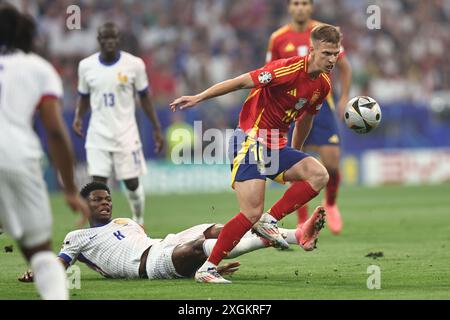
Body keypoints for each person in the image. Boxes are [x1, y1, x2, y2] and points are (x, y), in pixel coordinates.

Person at [170, 24, 341, 283]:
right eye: (327, 53)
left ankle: (269, 220)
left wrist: (297, 150)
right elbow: (240, 82)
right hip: (250, 140)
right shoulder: (285, 70)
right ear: (313, 48)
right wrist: (200, 97)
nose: (332, 59)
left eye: (335, 53)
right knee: (250, 213)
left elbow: (306, 118)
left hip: (276, 145)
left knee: (318, 174)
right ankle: (208, 268)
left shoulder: (323, 85)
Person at [18, 182, 317, 282]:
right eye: (98, 200)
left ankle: (296, 234)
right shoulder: (77, 237)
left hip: (164, 243)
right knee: (203, 243)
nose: (105, 203)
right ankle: (290, 237)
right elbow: (59, 265)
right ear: (84, 205)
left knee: (213, 228)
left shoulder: (125, 221)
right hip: (148, 266)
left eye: (108, 198)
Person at [0, 5, 89, 300]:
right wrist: (70, 189)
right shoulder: (38, 69)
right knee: (39, 252)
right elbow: (54, 130)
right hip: (16, 155)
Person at [266, 0, 353, 234]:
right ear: (289, 7)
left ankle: (331, 204)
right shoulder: (278, 38)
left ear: (311, 7)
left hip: (321, 103)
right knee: (297, 162)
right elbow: (270, 72)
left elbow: (345, 67)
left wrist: (344, 96)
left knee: (332, 163)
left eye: (305, 3)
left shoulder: (323, 33)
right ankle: (301, 218)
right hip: (291, 106)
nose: (300, 8)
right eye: (296, 3)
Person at [72, 22, 164, 227]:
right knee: (98, 184)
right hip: (98, 135)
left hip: (126, 134)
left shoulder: (134, 65)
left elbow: (145, 97)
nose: (109, 41)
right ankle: (99, 231)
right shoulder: (86, 66)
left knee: (131, 183)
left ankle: (138, 219)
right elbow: (83, 96)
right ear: (99, 40)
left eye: (113, 37)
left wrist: (157, 128)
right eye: (105, 38)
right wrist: (78, 116)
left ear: (118, 40)